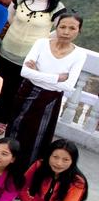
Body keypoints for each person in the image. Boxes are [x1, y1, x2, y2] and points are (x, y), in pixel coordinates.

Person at [0, 0, 65, 136]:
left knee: (16, 91)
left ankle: (5, 120)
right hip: (7, 50)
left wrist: (42, 39)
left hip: (29, 57)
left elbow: (60, 30)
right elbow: (9, 17)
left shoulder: (57, 7)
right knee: (0, 85)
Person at [8, 13, 86, 172]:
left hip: (50, 99)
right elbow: (25, 72)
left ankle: (26, 175)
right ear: (56, 27)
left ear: (79, 31)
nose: (66, 31)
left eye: (72, 28)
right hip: (27, 91)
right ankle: (5, 168)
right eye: (62, 26)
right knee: (15, 130)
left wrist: (38, 73)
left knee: (38, 137)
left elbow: (69, 85)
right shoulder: (41, 43)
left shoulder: (79, 54)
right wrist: (57, 77)